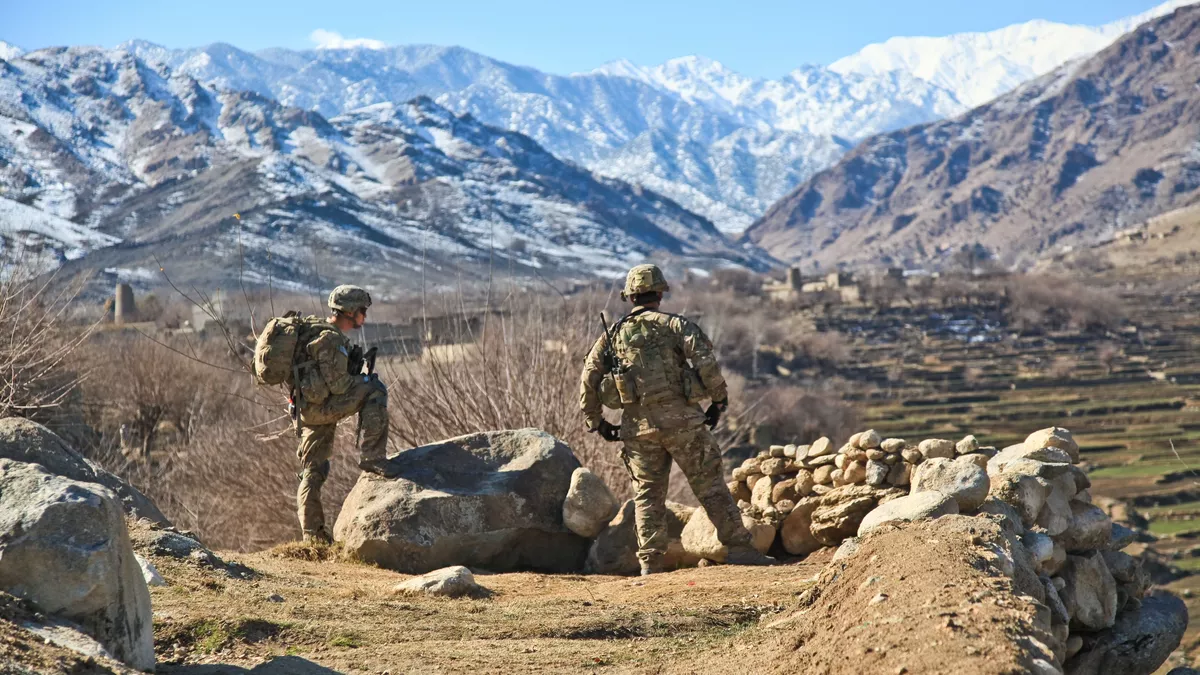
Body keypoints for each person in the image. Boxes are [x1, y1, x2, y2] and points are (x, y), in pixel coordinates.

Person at [579, 264, 774, 575]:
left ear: (630, 297)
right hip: (685, 425)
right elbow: (705, 360)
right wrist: (718, 400)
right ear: (659, 293)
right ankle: (740, 549)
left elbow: (589, 377)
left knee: (647, 496)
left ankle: (650, 563)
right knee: (710, 487)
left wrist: (596, 421)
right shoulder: (676, 325)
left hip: (638, 430)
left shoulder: (612, 335)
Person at [294, 285, 392, 545]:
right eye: (362, 311)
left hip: (308, 409)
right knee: (375, 390)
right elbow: (339, 386)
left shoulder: (316, 331)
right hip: (322, 409)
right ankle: (373, 457)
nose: (364, 317)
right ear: (350, 311)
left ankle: (313, 536)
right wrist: (362, 378)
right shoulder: (331, 339)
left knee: (313, 469)